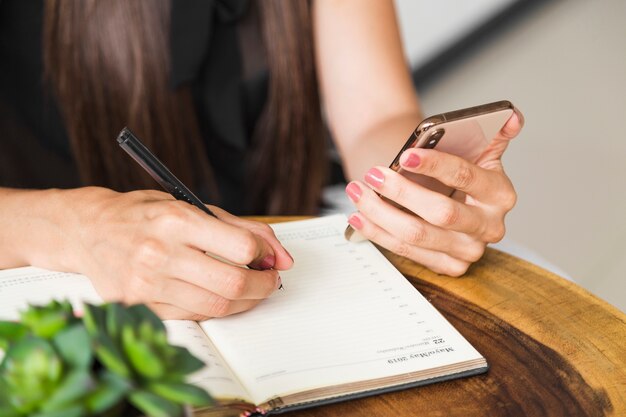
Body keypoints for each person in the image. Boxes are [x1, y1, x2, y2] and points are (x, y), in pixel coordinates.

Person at [0, 0, 523, 320]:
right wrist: (79, 227)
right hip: (42, 273)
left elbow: (374, 115)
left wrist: (422, 185)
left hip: (281, 266)